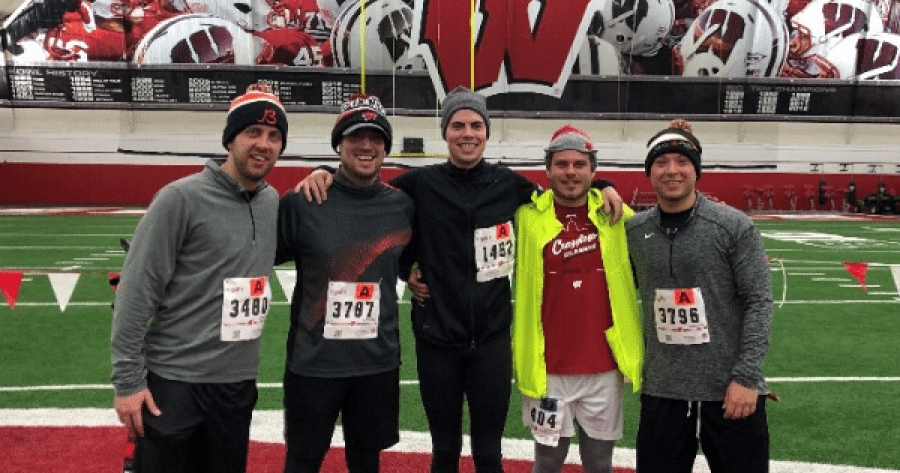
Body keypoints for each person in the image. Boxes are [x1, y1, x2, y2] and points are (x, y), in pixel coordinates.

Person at [296, 86, 624, 473]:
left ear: (486, 132)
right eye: (457, 125)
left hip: (491, 342)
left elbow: (564, 193)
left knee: (488, 453)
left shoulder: (510, 185)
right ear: (445, 133)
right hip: (437, 341)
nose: (467, 133)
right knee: (445, 451)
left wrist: (604, 186)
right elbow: (368, 196)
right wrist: (326, 175)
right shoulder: (418, 185)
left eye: (475, 125)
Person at [110, 82, 287, 473]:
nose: (263, 144)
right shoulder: (180, 198)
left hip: (237, 385)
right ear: (230, 138)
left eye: (274, 136)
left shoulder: (272, 201)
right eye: (252, 132)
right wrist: (127, 382)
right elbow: (136, 293)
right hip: (175, 384)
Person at [625, 119, 774, 473]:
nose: (672, 170)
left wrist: (747, 377)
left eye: (682, 162)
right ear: (649, 172)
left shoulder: (733, 226)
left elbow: (759, 302)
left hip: (729, 392)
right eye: (661, 162)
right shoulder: (633, 231)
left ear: (697, 170)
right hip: (662, 393)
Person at [275, 94, 414, 473]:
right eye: (355, 137)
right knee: (302, 461)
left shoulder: (402, 205)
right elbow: (254, 256)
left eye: (376, 137)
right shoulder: (304, 201)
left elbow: (415, 261)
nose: (366, 146)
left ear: (386, 146)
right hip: (314, 364)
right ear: (339, 145)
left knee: (366, 461)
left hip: (376, 363)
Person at [512, 125, 644, 473]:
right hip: (546, 368)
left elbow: (665, 236)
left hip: (604, 367)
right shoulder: (525, 217)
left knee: (600, 463)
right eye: (562, 164)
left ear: (593, 170)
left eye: (580, 164)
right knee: (547, 461)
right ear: (548, 170)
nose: (570, 172)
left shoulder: (617, 216)